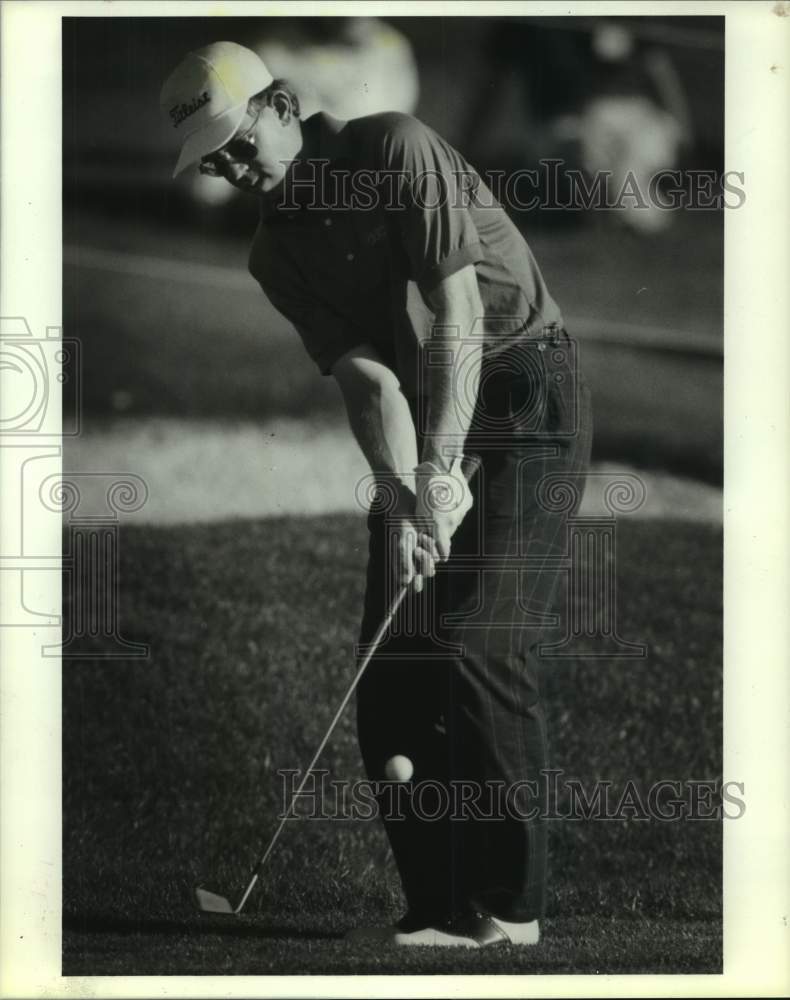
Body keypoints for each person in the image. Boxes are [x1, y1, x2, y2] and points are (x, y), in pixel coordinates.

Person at [160, 40, 593, 948]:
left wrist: (442, 470)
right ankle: (440, 911)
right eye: (213, 160)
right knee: (393, 671)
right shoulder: (274, 257)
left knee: (476, 641)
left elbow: (459, 315)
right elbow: (370, 382)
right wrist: (404, 497)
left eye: (237, 142)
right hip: (430, 406)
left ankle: (512, 911)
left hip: (526, 388)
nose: (232, 169)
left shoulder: (392, 147)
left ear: (280, 106)